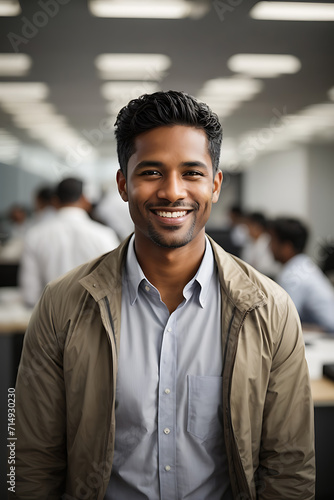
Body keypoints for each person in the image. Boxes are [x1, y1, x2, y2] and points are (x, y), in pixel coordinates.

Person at [12, 91, 315, 500]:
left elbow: (289, 467)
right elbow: (30, 459)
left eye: (192, 173)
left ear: (216, 184)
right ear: (123, 184)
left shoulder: (271, 309)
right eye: (151, 172)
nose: (173, 192)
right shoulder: (62, 304)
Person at [19, 177, 120, 307]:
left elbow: (30, 294)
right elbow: (114, 286)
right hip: (94, 318)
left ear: (55, 201)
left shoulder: (34, 235)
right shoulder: (104, 235)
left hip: (49, 318)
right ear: (84, 199)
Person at [270, 217, 334, 333]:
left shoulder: (293, 276)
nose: (269, 246)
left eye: (272, 241)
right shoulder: (303, 265)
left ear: (287, 247)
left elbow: (281, 322)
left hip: (328, 339)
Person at [242, 211, 280, 279]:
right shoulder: (248, 243)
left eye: (248, 226)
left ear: (257, 226)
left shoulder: (269, 242)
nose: (246, 229)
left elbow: (269, 268)